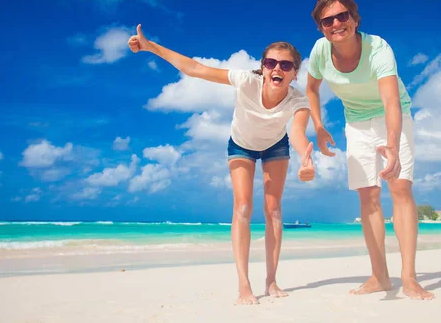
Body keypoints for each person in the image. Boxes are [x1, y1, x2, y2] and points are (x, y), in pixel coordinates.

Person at [128, 25, 315, 305]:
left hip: (276, 146)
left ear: (294, 73)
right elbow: (194, 68)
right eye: (271, 62)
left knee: (273, 209)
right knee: (242, 207)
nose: (277, 68)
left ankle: (272, 280)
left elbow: (298, 132)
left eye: (285, 65)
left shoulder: (298, 99)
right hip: (241, 144)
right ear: (263, 67)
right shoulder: (245, 81)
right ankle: (244, 284)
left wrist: (306, 157)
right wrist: (150, 46)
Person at [305, 0, 434, 300]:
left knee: (400, 188)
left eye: (343, 16)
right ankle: (379, 276)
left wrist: (391, 143)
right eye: (328, 20)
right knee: (369, 196)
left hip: (394, 116)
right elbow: (310, 89)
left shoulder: (378, 48)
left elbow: (390, 99)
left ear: (355, 18)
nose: (337, 23)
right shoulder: (320, 51)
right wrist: (319, 127)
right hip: (357, 123)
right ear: (321, 27)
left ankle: (409, 277)